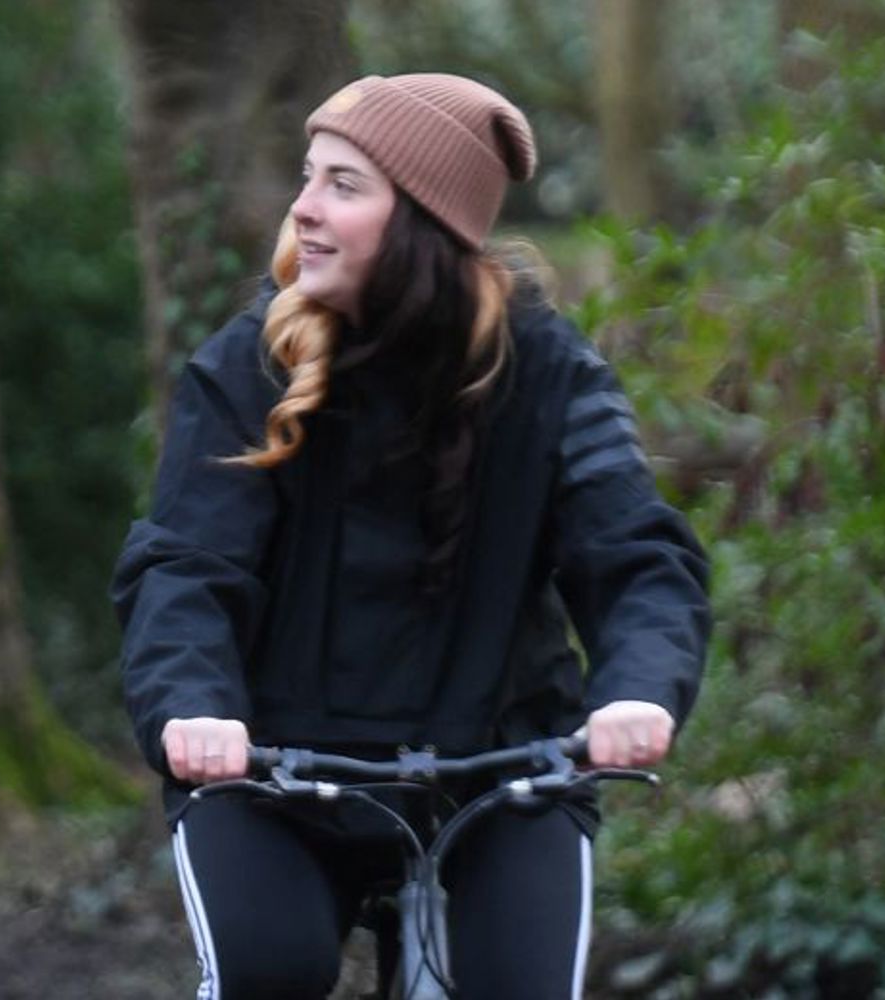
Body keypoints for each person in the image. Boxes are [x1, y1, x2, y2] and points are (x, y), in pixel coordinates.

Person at [113, 73, 712, 998]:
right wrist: (194, 705)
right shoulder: (247, 367)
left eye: (343, 186)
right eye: (307, 178)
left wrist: (639, 688)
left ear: (425, 224)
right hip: (273, 773)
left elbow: (637, 554)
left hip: (499, 770)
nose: (303, 211)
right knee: (269, 970)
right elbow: (185, 565)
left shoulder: (551, 373)